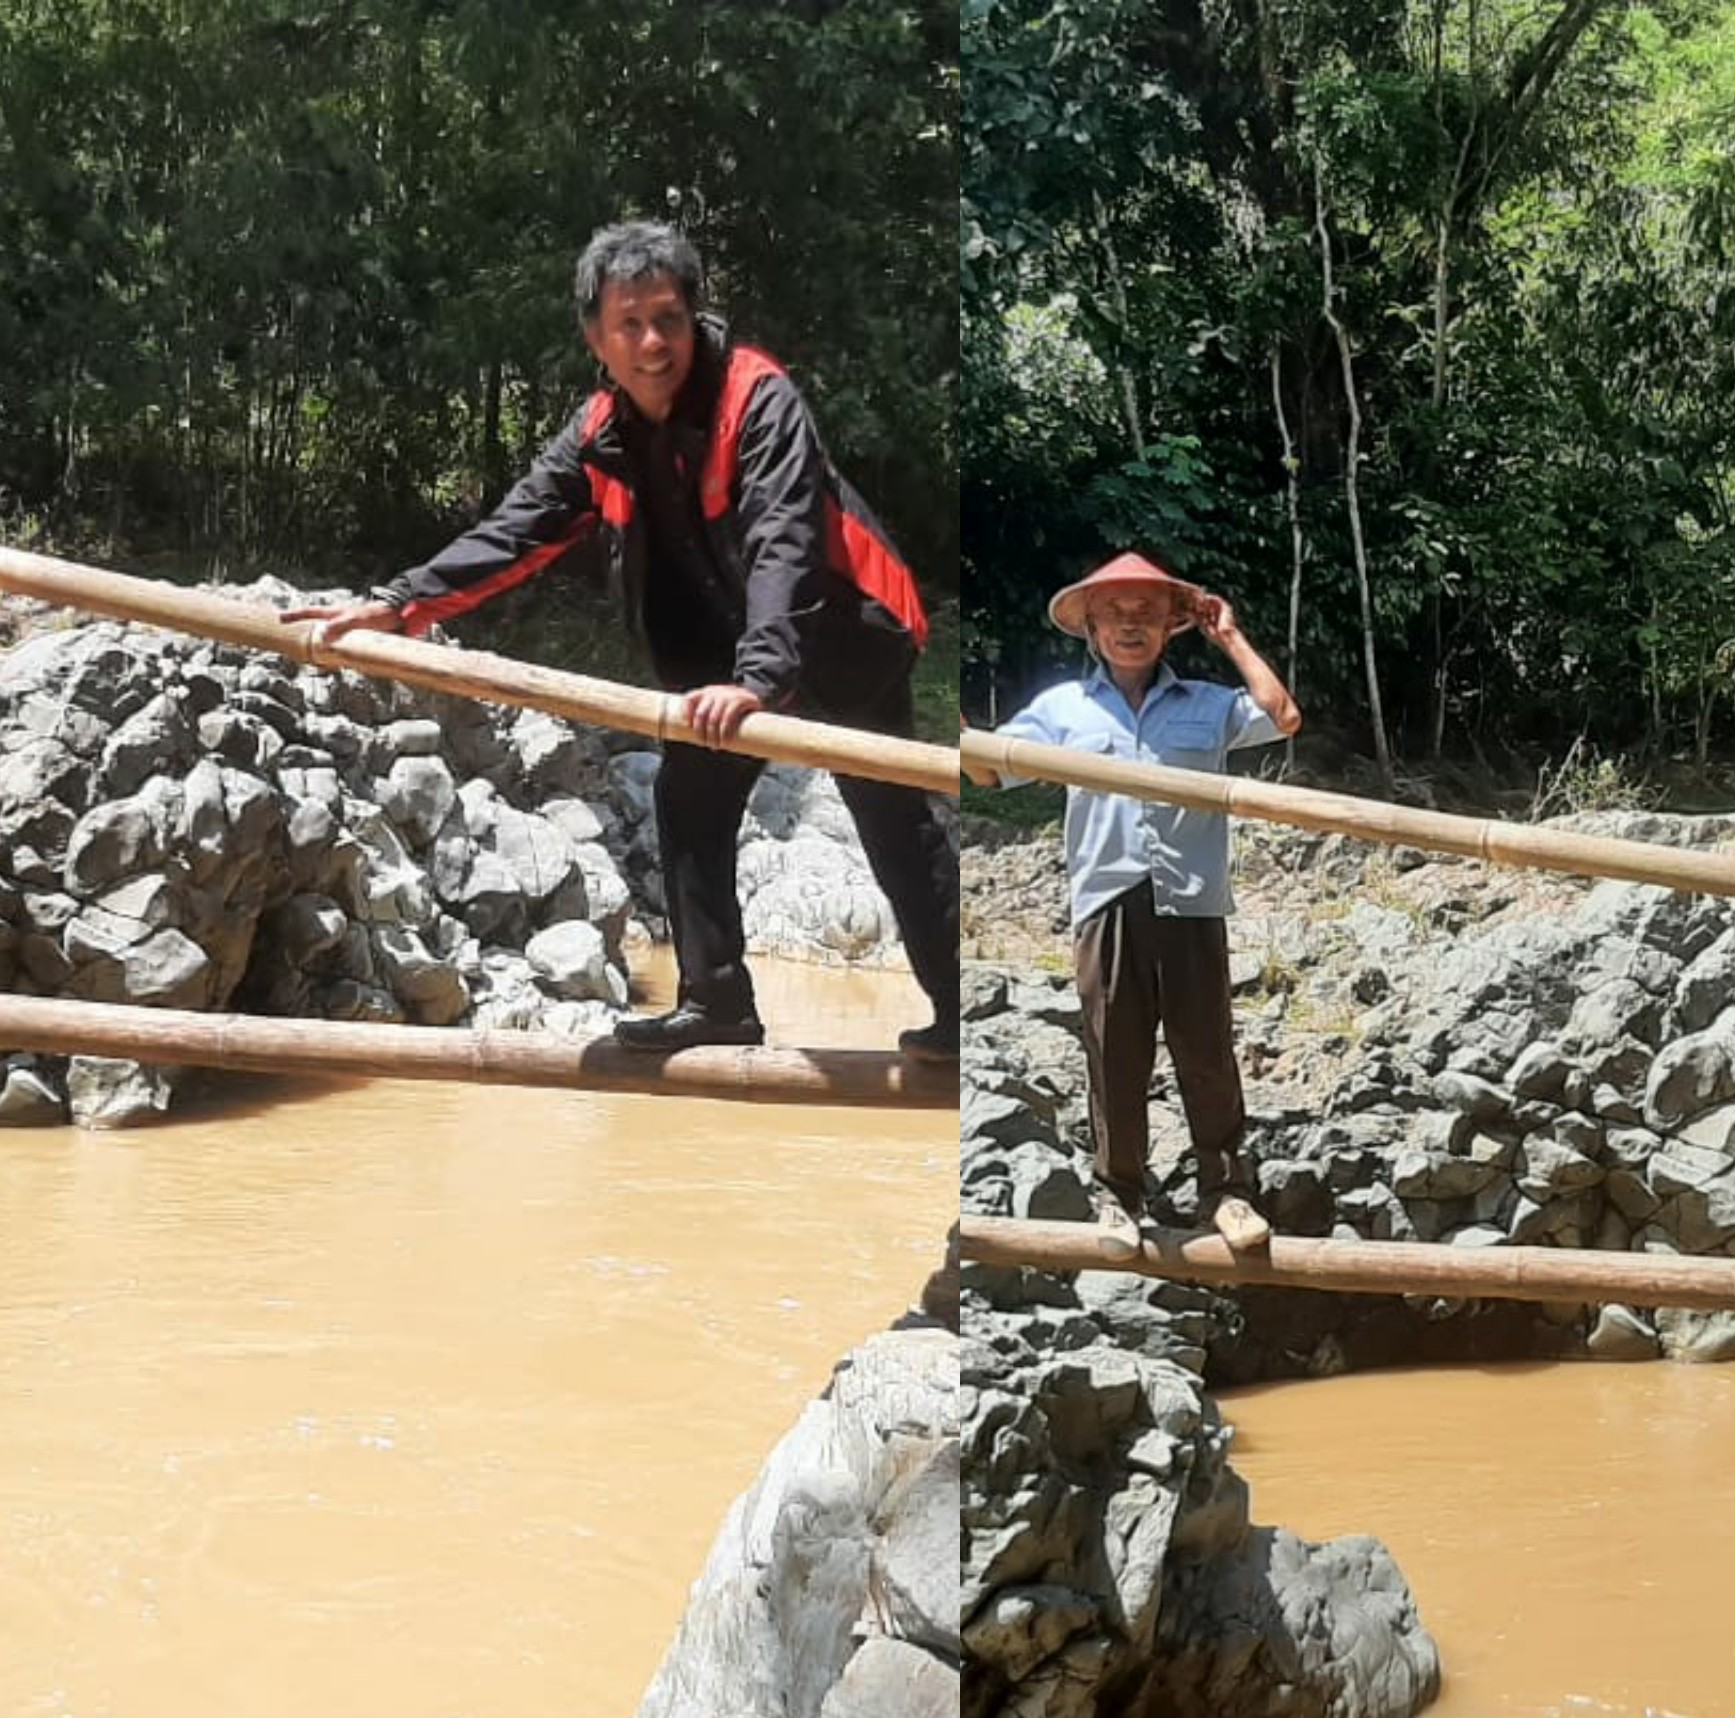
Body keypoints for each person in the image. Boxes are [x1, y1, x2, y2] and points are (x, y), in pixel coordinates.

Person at [283, 219, 957, 1061]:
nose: (652, 342)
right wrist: (397, 604)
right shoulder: (600, 430)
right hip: (726, 651)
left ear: (694, 318)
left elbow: (785, 543)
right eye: (629, 322)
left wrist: (756, 679)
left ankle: (958, 1014)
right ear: (594, 336)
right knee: (689, 798)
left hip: (841, 635)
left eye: (668, 318)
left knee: (890, 816)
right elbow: (514, 530)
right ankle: (717, 1004)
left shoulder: (759, 399)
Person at [962, 552, 1300, 1257]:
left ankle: (1228, 1193)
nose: (1130, 625)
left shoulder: (1206, 704)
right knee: (1114, 1052)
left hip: (1192, 902)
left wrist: (1230, 638)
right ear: (1090, 625)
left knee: (1205, 1049)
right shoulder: (1062, 709)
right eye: (1114, 612)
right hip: (1107, 898)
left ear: (1172, 626)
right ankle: (1119, 1197)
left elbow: (1283, 715)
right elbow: (991, 768)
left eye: (1147, 613)